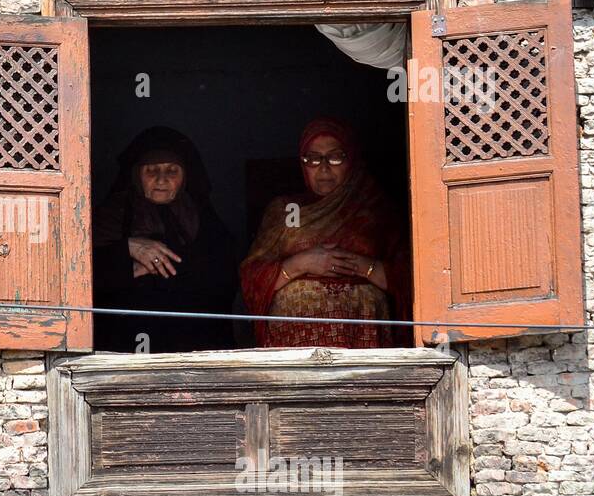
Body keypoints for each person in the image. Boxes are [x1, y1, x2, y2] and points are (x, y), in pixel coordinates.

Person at [240, 116, 410, 348]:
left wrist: (364, 267)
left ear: (352, 159)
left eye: (335, 156)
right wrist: (301, 264)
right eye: (313, 159)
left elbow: (413, 279)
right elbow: (251, 276)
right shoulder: (287, 210)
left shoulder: (375, 208)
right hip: (293, 340)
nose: (324, 168)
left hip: (363, 335)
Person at [93, 126, 238, 353]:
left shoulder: (200, 215)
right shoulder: (112, 214)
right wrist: (128, 252)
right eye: (152, 170)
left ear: (185, 177)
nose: (162, 179)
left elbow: (225, 277)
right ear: (136, 175)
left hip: (190, 342)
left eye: (172, 171)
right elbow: (80, 276)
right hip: (123, 343)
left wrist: (173, 268)